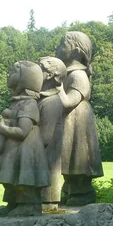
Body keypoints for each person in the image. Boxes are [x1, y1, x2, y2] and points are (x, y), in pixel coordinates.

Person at [0, 61, 49, 216]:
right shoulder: (18, 103)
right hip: (15, 149)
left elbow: (23, 131)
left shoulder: (28, 104)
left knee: (23, 177)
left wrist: (4, 129)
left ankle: (29, 205)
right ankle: (13, 203)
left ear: (25, 78)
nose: (9, 74)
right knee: (12, 178)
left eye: (14, 71)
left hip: (26, 149)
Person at [56, 31, 104, 206]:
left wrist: (57, 85)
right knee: (69, 158)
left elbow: (69, 102)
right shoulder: (69, 74)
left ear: (76, 51)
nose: (57, 48)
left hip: (79, 121)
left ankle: (82, 192)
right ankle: (70, 189)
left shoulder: (78, 76)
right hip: (70, 121)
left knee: (78, 157)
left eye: (62, 44)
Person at [38, 56, 67, 210]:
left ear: (49, 75)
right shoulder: (42, 99)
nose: (35, 71)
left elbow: (45, 137)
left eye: (40, 68)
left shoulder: (52, 102)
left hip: (47, 156)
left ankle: (48, 201)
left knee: (49, 174)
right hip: (40, 155)